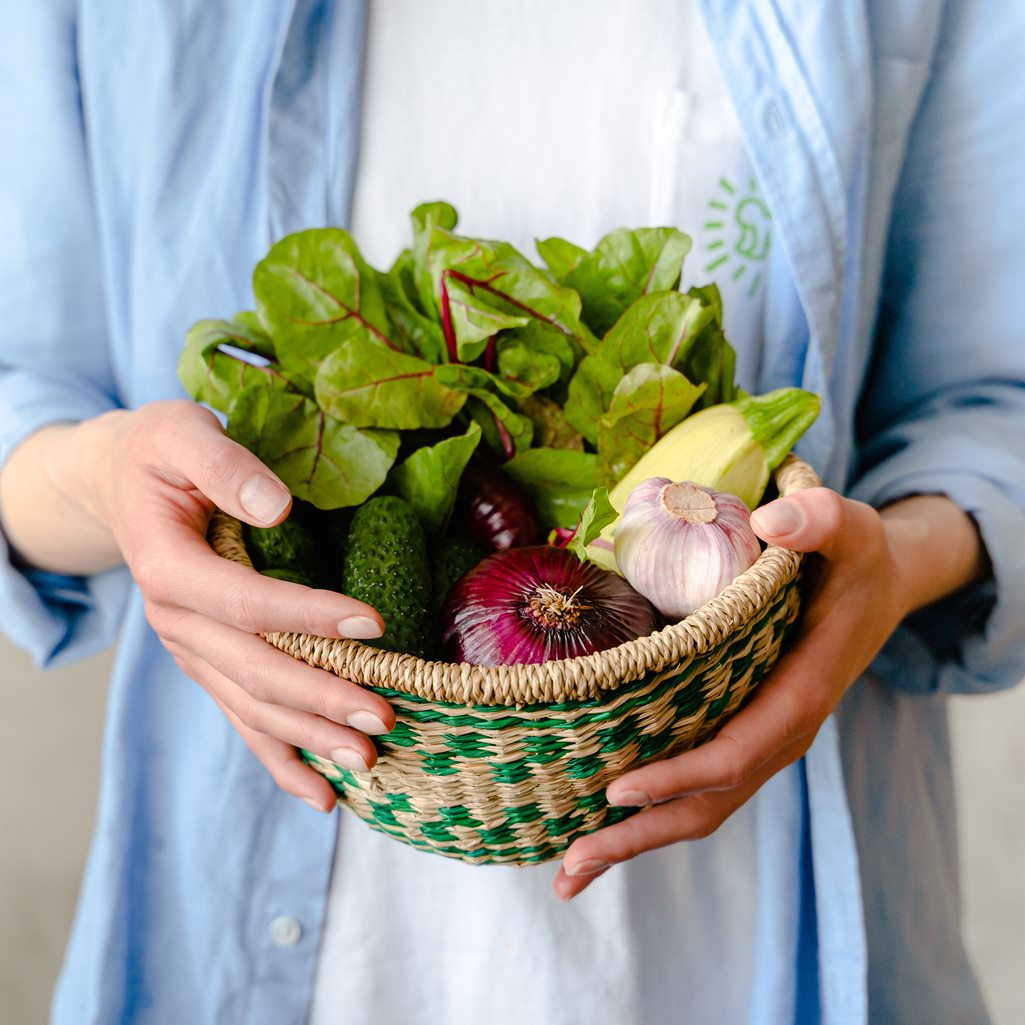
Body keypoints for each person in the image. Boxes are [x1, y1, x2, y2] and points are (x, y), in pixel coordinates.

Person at [1, 2, 1022, 1023]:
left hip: (745, 932)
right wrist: (105, 476)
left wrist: (895, 561)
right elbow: (27, 392)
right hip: (242, 918)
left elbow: (990, 407)